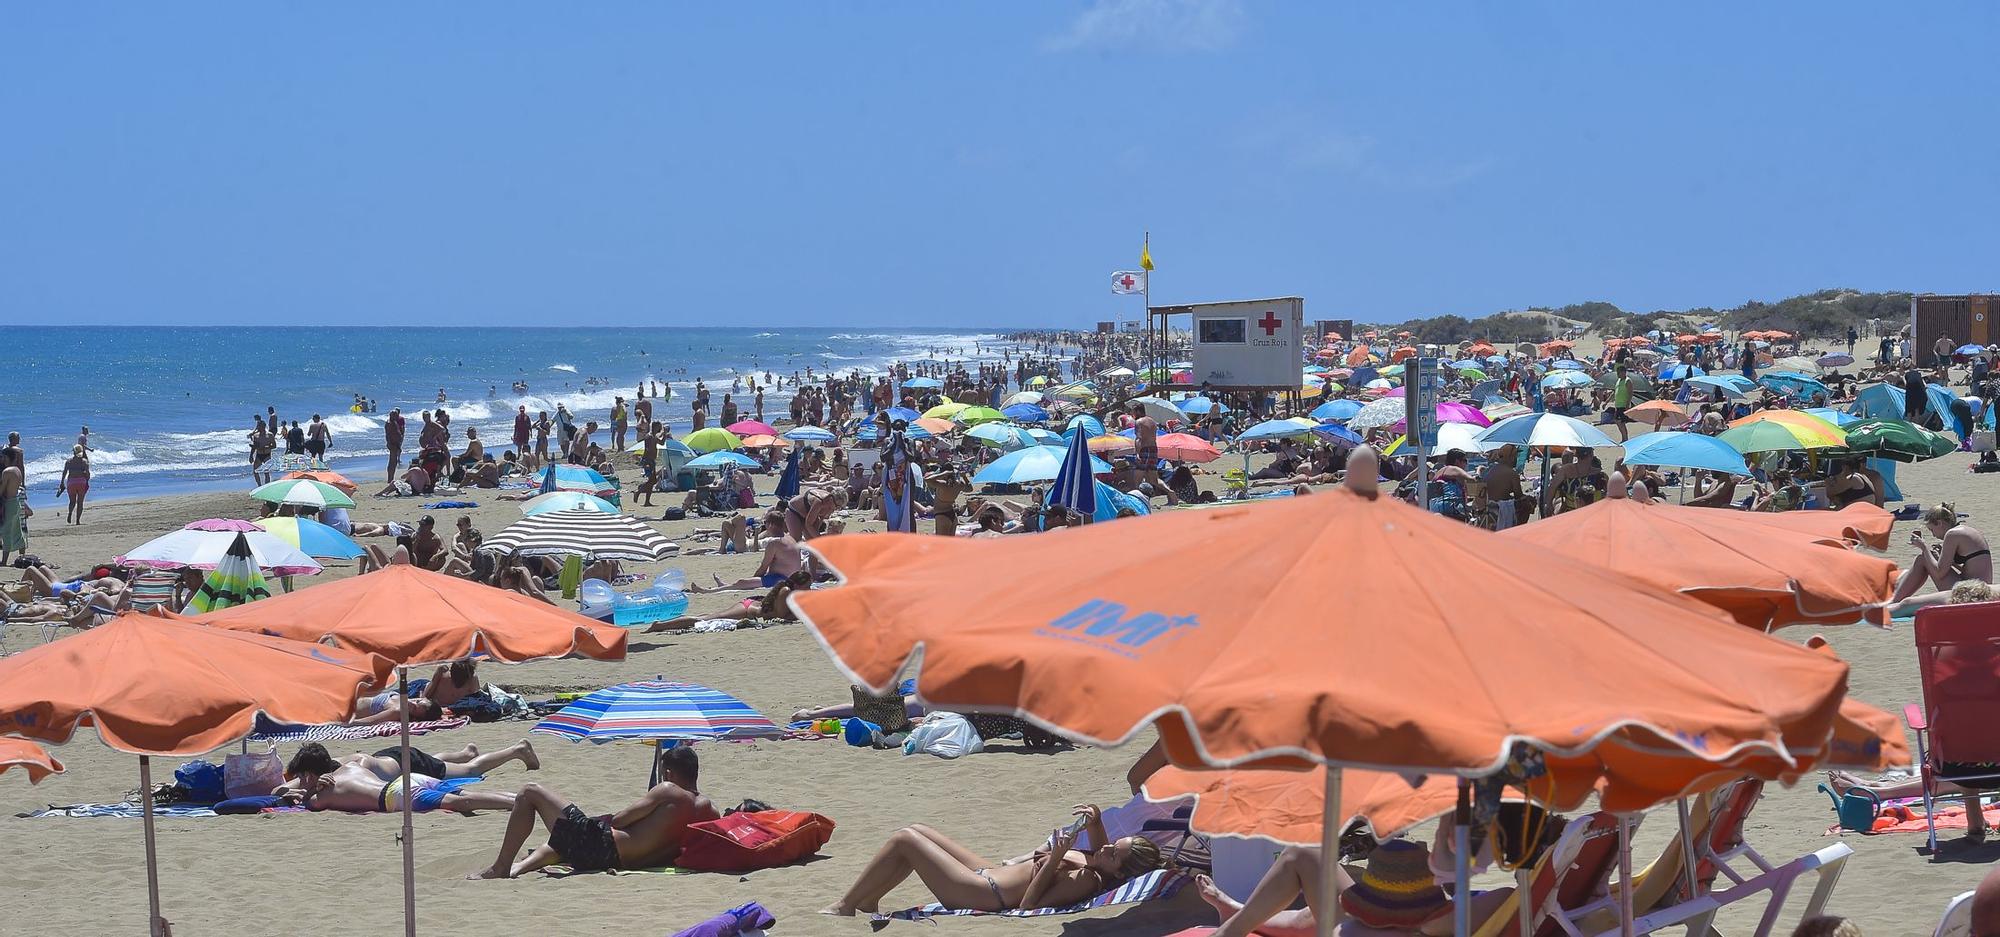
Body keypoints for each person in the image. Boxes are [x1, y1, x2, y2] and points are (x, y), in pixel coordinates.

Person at [822, 803, 1163, 915]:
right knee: (918, 829)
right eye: (1111, 844)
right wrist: (1097, 820)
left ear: (1119, 871)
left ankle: (847, 905)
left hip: (984, 892)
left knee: (905, 840)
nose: (1105, 847)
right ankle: (869, 900)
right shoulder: (1098, 862)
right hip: (990, 872)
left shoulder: (1089, 879)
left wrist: (1056, 856)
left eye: (1113, 853)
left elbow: (1029, 907)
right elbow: (1100, 853)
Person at [468, 745, 717, 878]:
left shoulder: (668, 790)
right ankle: (519, 868)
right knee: (565, 836)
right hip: (622, 861)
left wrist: (653, 795)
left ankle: (501, 867)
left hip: (603, 846)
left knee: (529, 791)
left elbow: (620, 820)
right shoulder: (710, 812)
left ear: (670, 774)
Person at [276, 743, 516, 815]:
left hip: (397, 795)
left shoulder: (320, 796)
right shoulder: (348, 765)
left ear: (308, 774)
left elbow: (305, 802)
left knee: (462, 801)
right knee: (462, 793)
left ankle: (514, 802)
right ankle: (515, 797)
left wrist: (304, 793)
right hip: (408, 778)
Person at [1890, 505, 1993, 612]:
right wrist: (1950, 562)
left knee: (1923, 558)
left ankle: (1894, 601)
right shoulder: (1966, 531)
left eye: (1932, 530)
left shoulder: (1952, 534)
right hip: (1982, 590)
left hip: (1971, 594)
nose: (1933, 535)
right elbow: (1972, 570)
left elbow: (1940, 573)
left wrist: (1924, 547)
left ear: (1939, 523)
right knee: (1930, 557)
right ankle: (1896, 600)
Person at [55, 444, 89, 525]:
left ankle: (70, 513)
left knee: (72, 501)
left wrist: (62, 482)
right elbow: (87, 474)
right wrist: (86, 478)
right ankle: (77, 520)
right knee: (80, 502)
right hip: (81, 482)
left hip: (71, 483)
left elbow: (64, 473)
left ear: (73, 452)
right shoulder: (84, 461)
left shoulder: (69, 461)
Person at [384, 407, 406, 482]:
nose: (397, 417)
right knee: (392, 461)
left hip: (396, 443)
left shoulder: (394, 422)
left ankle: (391, 477)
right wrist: (390, 443)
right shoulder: (389, 423)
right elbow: (388, 435)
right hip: (393, 444)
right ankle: (390, 478)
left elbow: (400, 431)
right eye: (395, 415)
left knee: (394, 461)